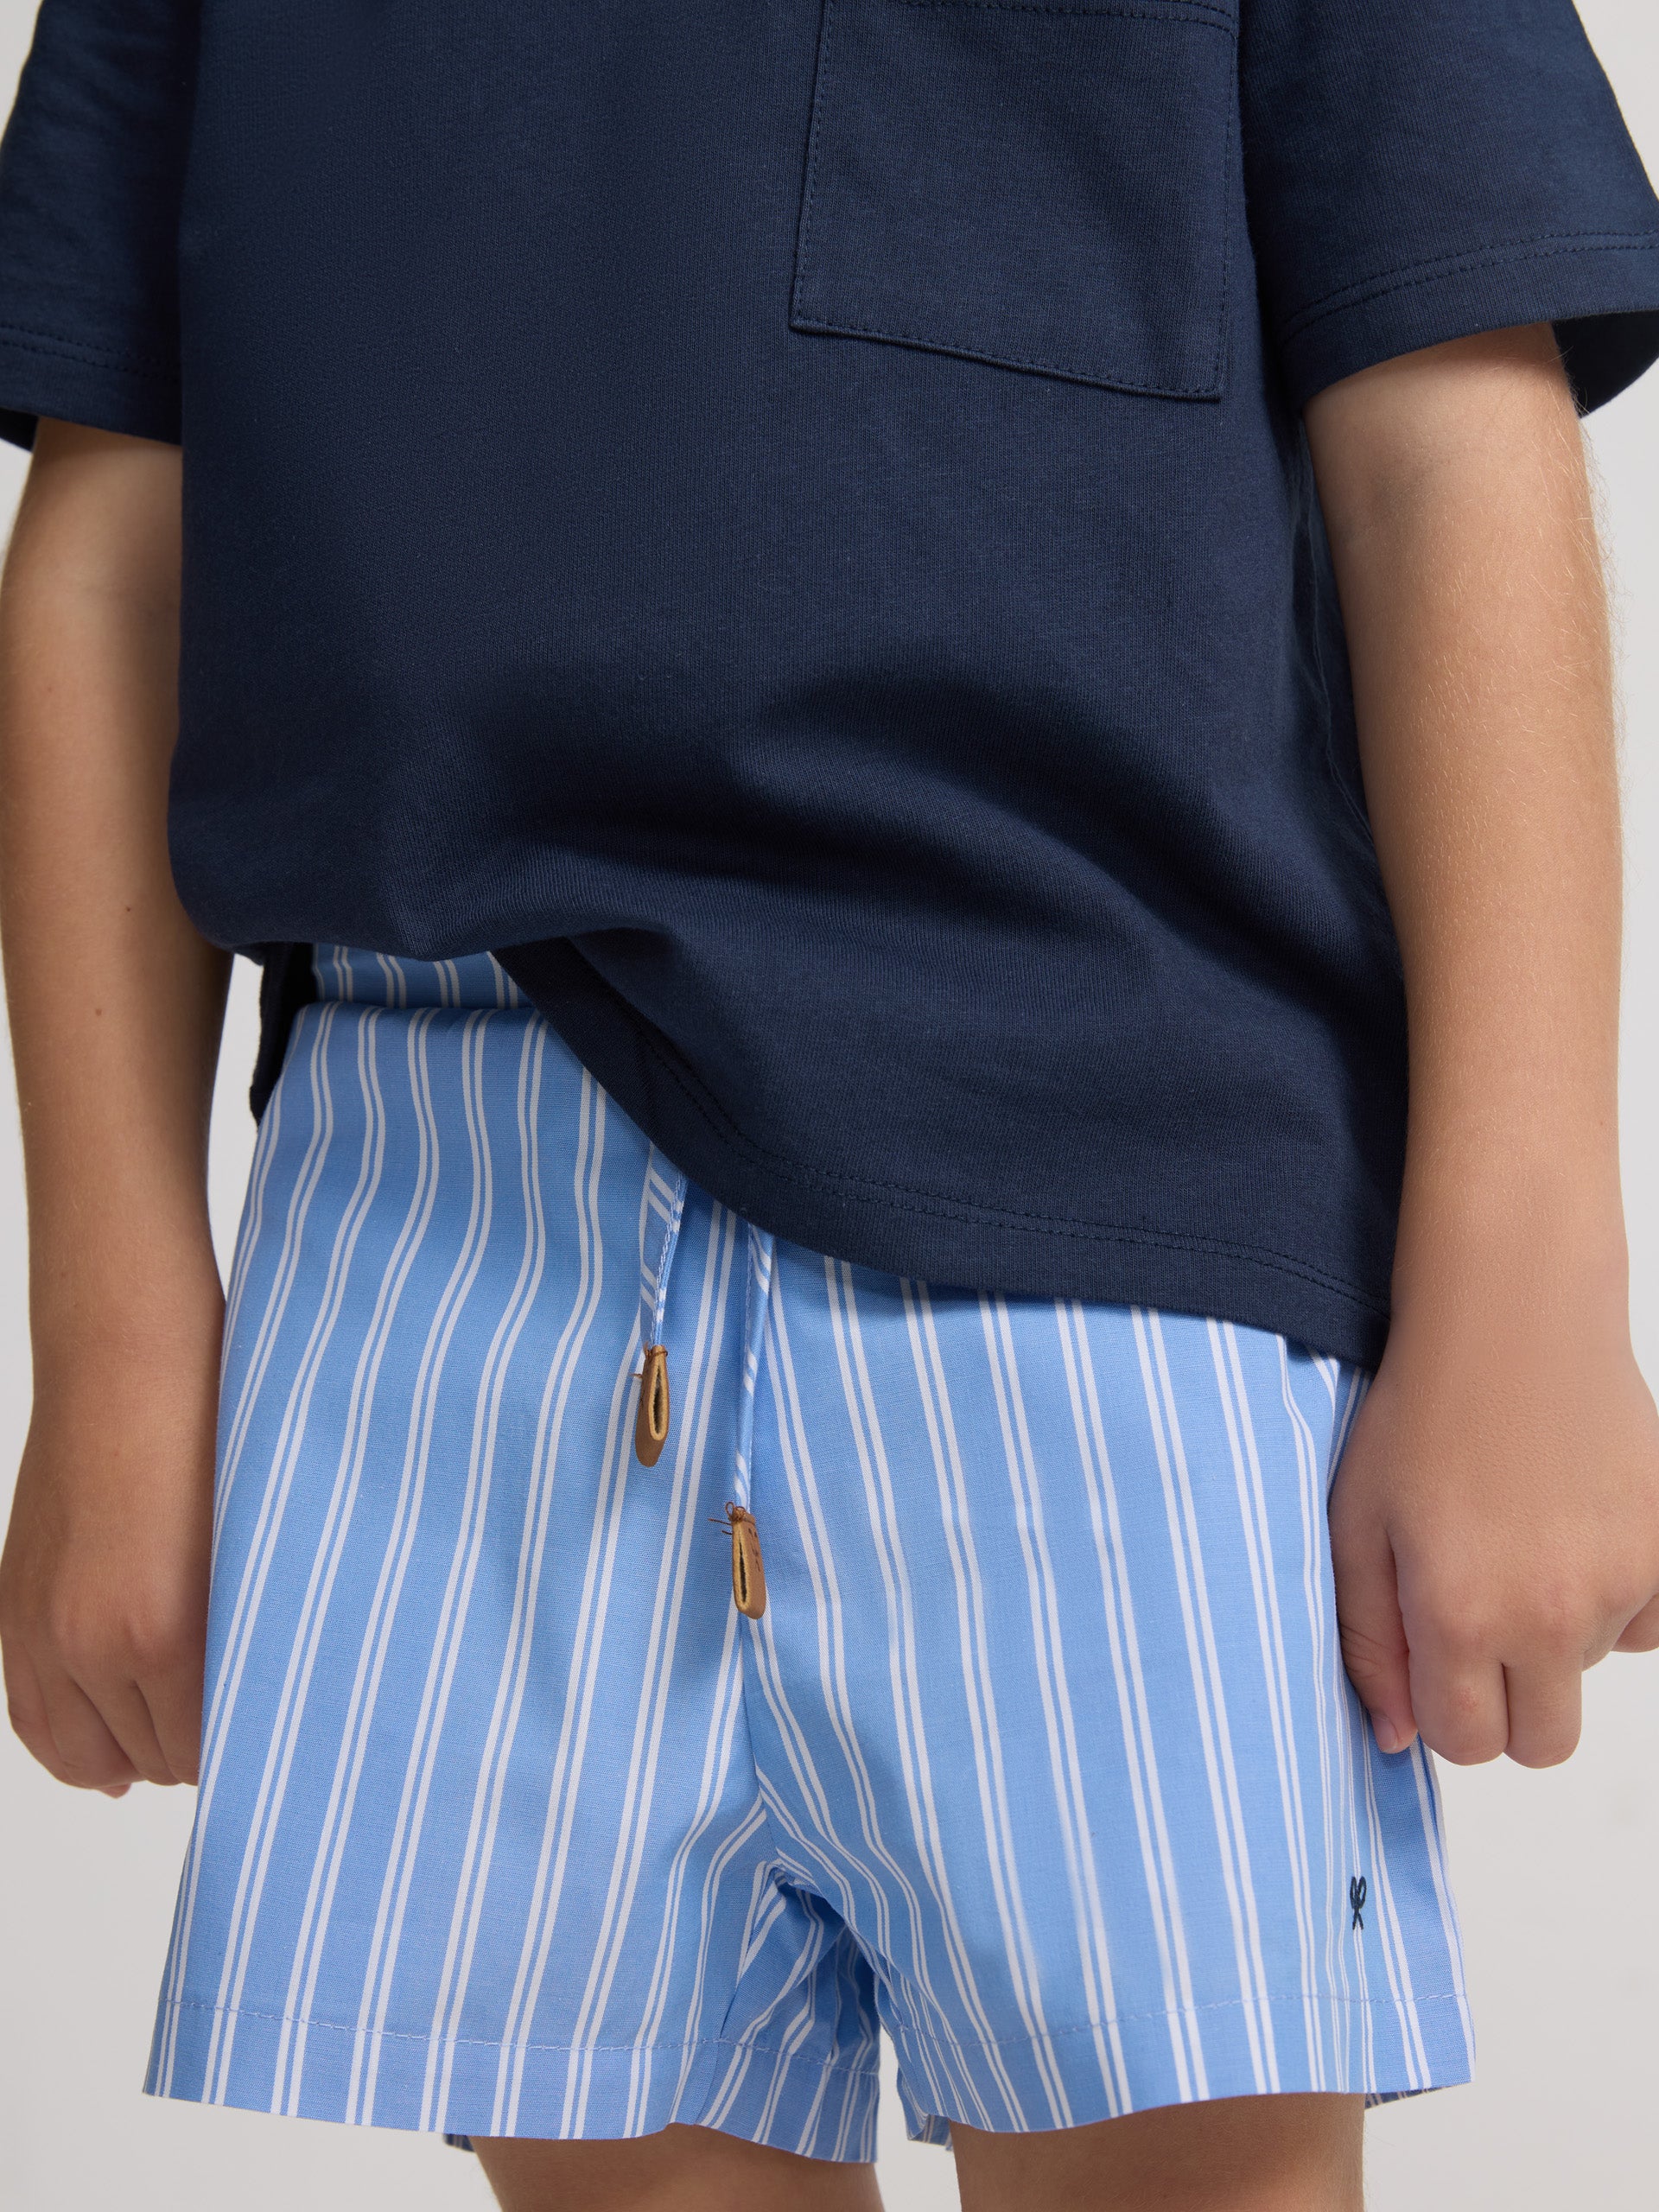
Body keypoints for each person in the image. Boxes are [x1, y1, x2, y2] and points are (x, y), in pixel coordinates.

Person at [1, 0, 1658, 2206]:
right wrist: (116, 1325)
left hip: (1101, 1184)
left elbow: (1444, 420)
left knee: (1190, 2166)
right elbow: (122, 520)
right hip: (443, 1192)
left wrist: (1529, 1273)